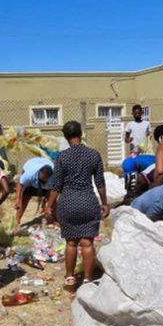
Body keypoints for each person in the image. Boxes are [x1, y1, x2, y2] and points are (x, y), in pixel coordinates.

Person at [45, 121, 109, 291]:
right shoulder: (93, 155)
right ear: (80, 134)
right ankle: (87, 280)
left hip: (68, 202)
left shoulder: (62, 157)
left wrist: (49, 205)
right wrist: (104, 203)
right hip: (88, 201)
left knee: (71, 243)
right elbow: (100, 182)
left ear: (66, 137)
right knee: (87, 243)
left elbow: (56, 185)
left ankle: (70, 278)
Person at [14, 157, 54, 231]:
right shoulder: (29, 174)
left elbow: (52, 191)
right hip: (31, 181)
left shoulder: (54, 178)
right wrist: (17, 199)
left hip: (47, 184)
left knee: (53, 202)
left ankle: (53, 219)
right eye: (42, 178)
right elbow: (20, 183)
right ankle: (17, 221)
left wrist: (48, 205)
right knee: (24, 198)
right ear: (39, 173)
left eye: (45, 179)